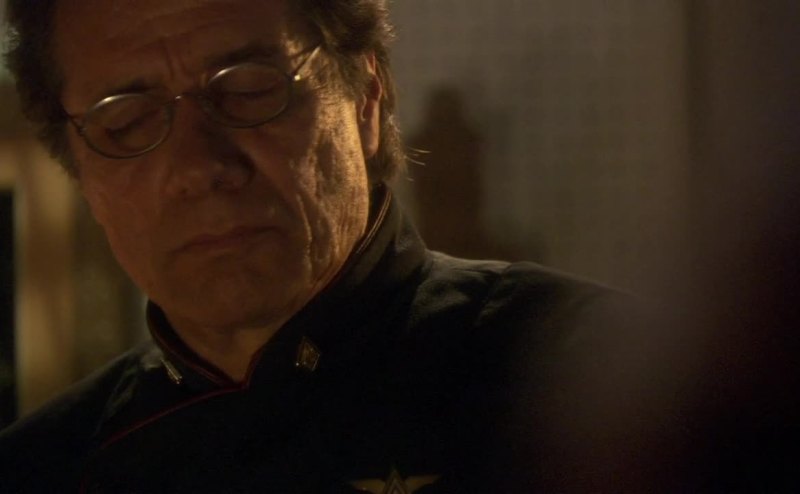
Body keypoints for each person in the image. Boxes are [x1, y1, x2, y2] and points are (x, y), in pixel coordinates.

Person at [0, 1, 667, 492]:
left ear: (368, 98)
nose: (199, 167)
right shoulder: (41, 469)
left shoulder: (600, 386)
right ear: (81, 176)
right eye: (128, 121)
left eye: (248, 90)